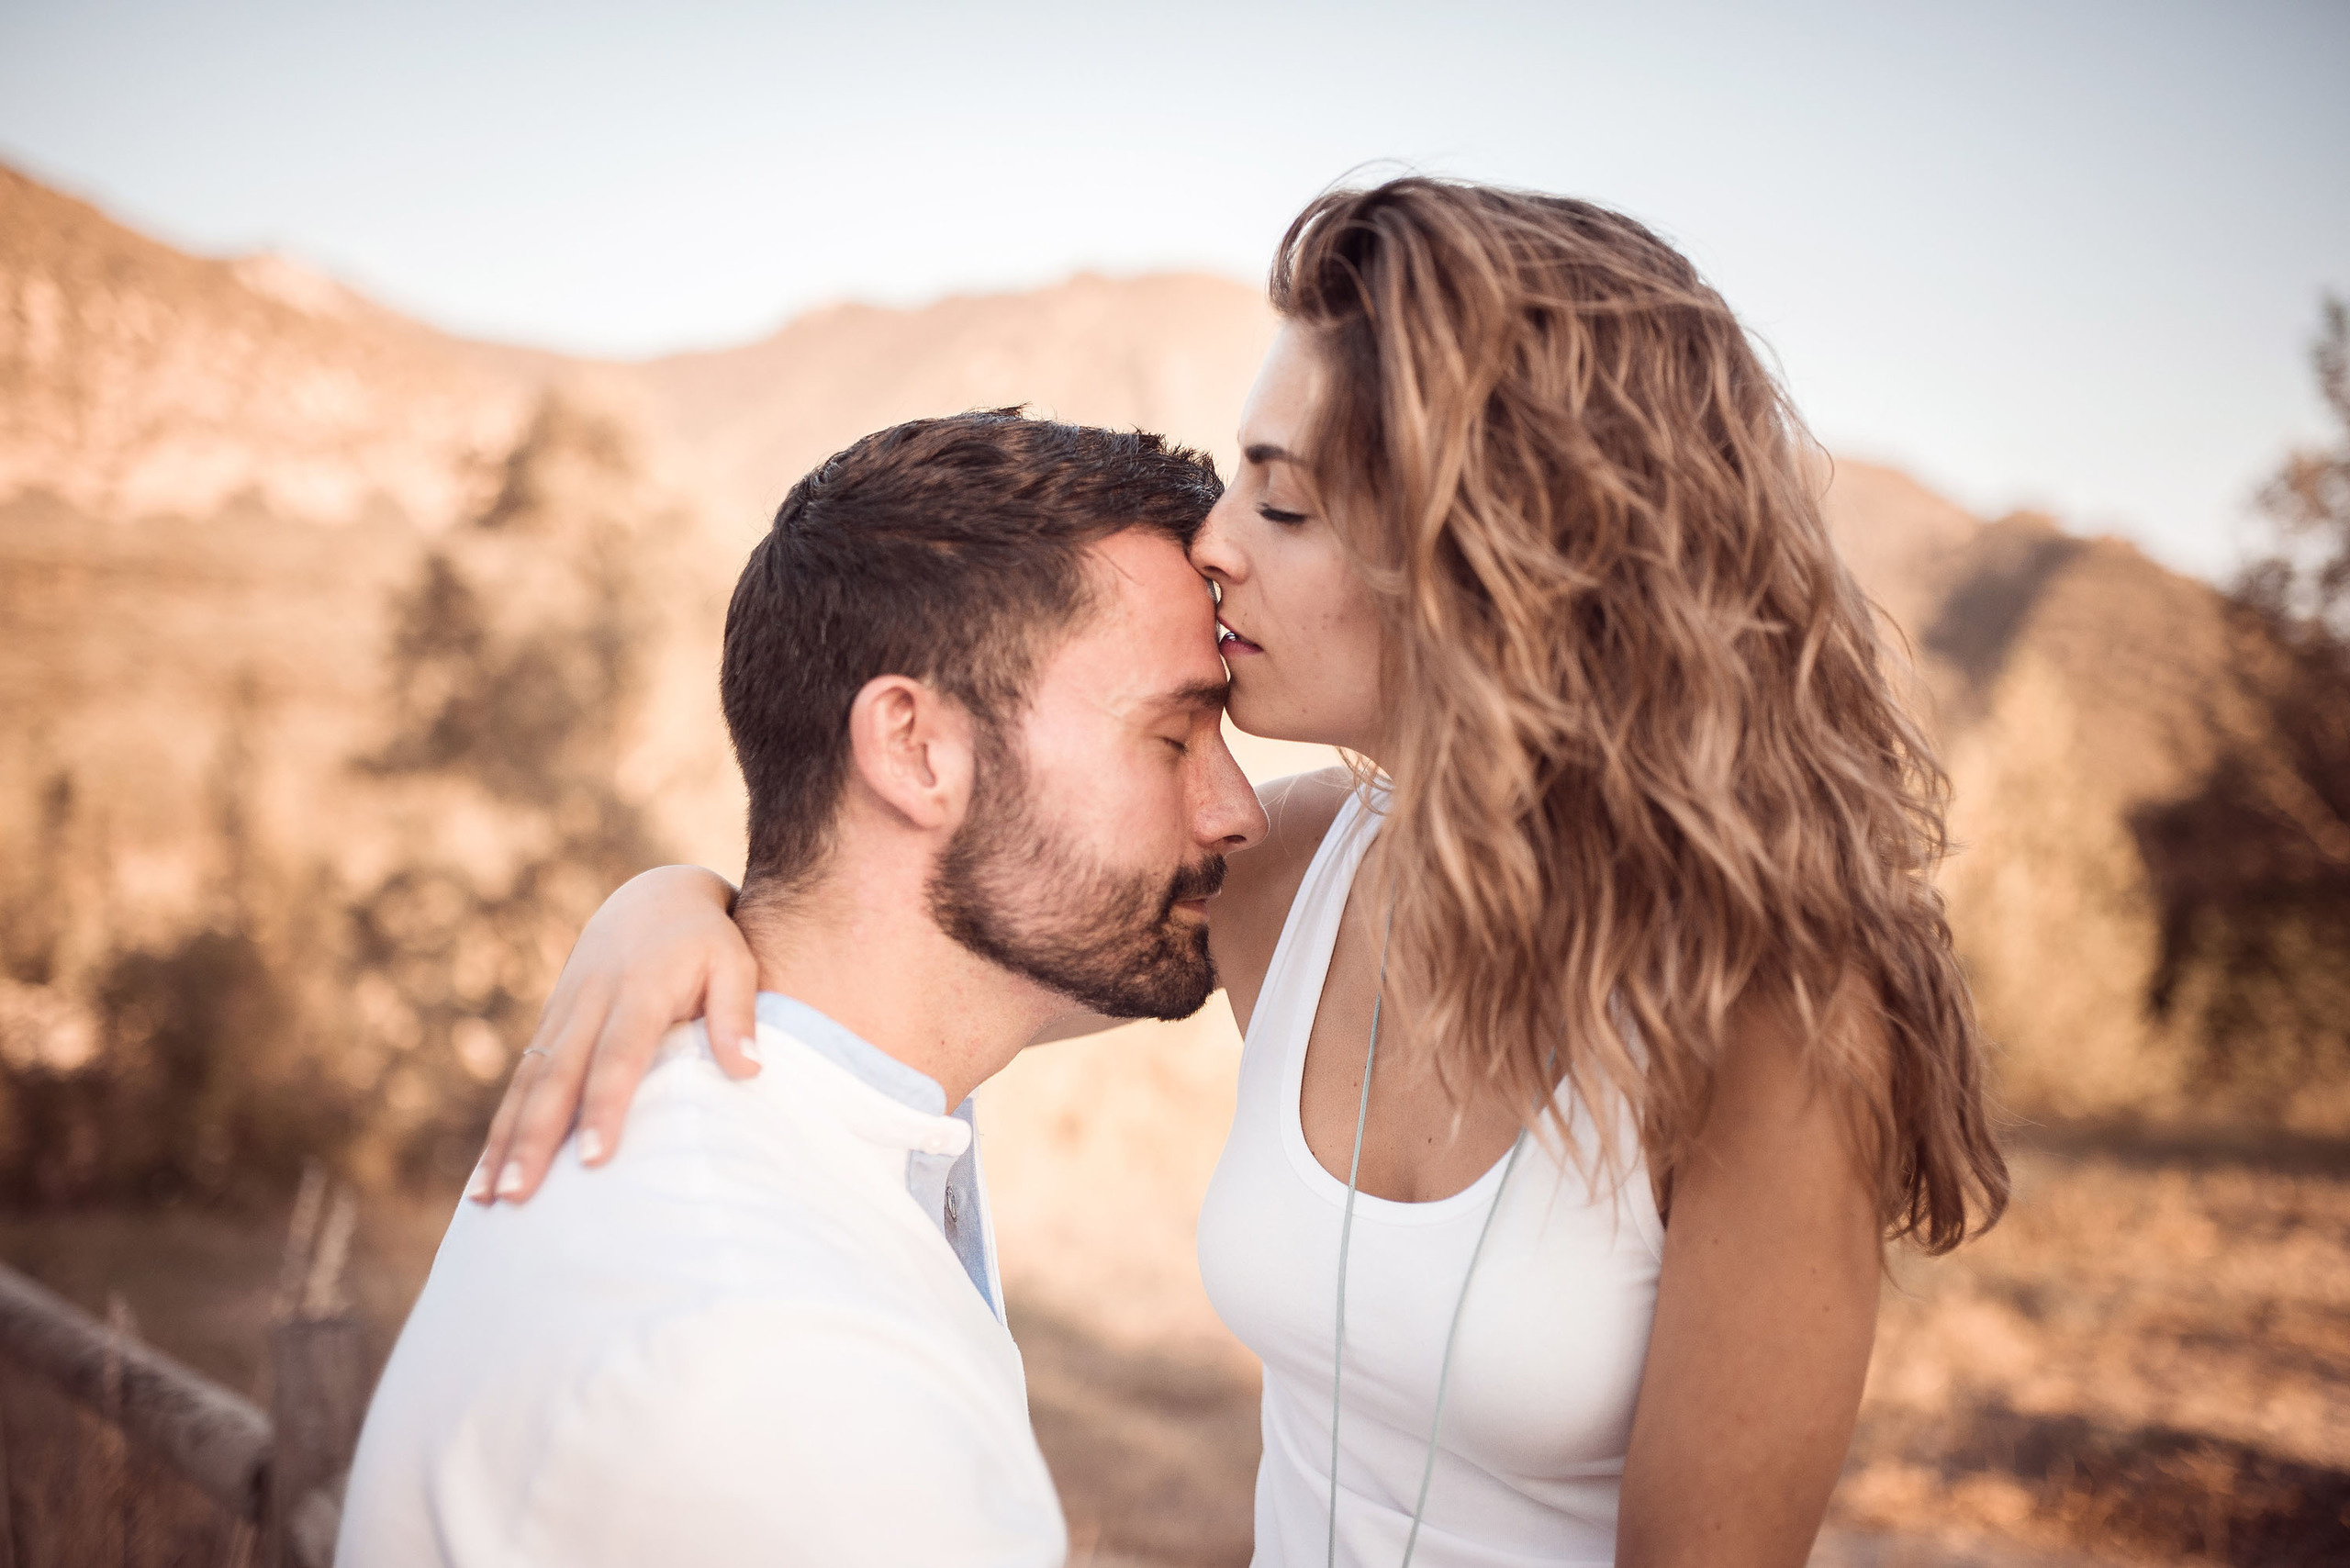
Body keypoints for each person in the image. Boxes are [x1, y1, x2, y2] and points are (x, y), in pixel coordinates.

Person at [474, 178, 2010, 1567]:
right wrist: (669, 900)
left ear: (1497, 557)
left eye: (1283, 502)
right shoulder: (1283, 875)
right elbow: (902, 936)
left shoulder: (1775, 1025)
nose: (1211, 543)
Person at [337, 410, 1265, 1567]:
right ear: (915, 749)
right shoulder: (779, 1364)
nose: (1239, 810)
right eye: (1174, 738)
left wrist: (670, 893)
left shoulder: (760, 1118)